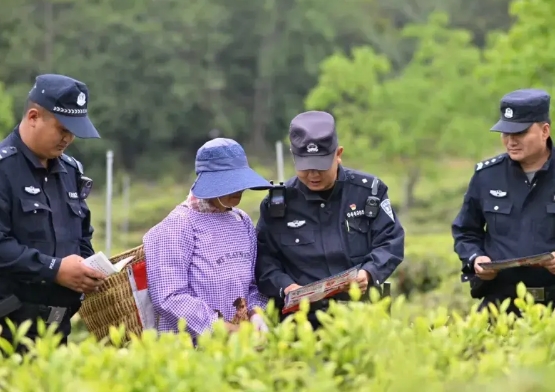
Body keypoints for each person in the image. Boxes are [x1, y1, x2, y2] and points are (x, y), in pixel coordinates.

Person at [254, 110, 406, 329]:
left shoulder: (369, 192)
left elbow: (391, 241)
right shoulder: (278, 205)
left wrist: (369, 272)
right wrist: (286, 288)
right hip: (303, 323)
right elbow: (264, 261)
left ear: (338, 154)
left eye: (321, 166)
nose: (313, 175)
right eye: (306, 168)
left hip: (363, 315)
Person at [0, 74, 107, 352]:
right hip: (8, 326)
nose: (68, 139)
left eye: (73, 132)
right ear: (34, 116)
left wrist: (90, 270)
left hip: (58, 326)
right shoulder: (3, 170)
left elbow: (82, 234)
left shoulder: (70, 171)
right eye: (62, 129)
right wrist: (55, 269)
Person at [143, 138, 271, 343]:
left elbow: (254, 284)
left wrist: (256, 314)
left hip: (241, 346)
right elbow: (170, 297)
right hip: (191, 350)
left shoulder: (241, 220)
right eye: (229, 184)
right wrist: (223, 329)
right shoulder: (177, 226)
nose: (238, 190)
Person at [452, 88, 555, 316]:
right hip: (501, 302)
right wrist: (476, 259)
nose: (510, 141)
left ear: (544, 130)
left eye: (519, 133)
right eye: (505, 133)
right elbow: (466, 231)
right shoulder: (487, 176)